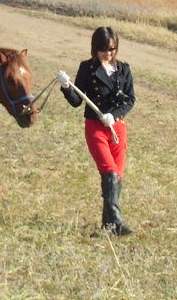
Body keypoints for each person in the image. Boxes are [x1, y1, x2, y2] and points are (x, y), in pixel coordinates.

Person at [57, 26, 136, 236]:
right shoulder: (87, 69)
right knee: (109, 172)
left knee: (116, 177)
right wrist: (67, 87)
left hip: (117, 128)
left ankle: (107, 225)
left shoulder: (125, 70)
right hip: (95, 129)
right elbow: (76, 101)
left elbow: (130, 99)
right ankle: (116, 224)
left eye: (111, 49)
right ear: (95, 48)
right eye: (103, 50)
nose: (108, 54)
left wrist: (115, 115)